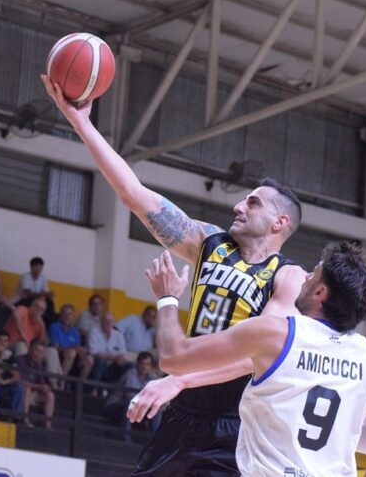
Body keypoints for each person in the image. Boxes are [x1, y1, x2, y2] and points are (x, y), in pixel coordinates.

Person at [43, 75, 306, 475]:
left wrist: (180, 379)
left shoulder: (289, 278)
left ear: (279, 222)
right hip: (182, 411)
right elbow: (133, 194)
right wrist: (80, 122)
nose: (238, 206)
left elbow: (256, 356)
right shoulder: (208, 243)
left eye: (252, 203)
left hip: (236, 419)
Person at [144, 245, 366, 476]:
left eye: (313, 274)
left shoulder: (275, 333)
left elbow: (172, 357)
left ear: (320, 292)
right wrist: (341, 431)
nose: (305, 277)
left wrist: (167, 298)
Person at [105, 351, 161, 441]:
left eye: (147, 364)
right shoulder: (130, 374)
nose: (144, 367)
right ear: (137, 364)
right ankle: (125, 437)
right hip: (115, 406)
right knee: (131, 403)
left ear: (150, 366)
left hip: (138, 409)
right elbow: (130, 396)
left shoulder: (152, 378)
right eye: (142, 364)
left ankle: (156, 440)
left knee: (155, 409)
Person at [48, 303, 94, 382]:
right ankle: (61, 381)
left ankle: (79, 385)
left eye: (70, 314)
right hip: (60, 357)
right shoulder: (54, 327)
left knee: (90, 359)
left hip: (75, 359)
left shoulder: (75, 331)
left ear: (73, 316)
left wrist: (82, 352)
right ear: (60, 315)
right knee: (71, 352)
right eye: (65, 313)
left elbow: (77, 347)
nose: (67, 316)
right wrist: (71, 348)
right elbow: (55, 348)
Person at [88, 311, 133, 389]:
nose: (108, 323)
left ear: (114, 323)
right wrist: (113, 357)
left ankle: (122, 391)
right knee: (100, 362)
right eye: (105, 320)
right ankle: (93, 390)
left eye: (110, 321)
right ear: (101, 321)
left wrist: (115, 358)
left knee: (129, 366)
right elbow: (94, 352)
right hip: (97, 364)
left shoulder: (118, 335)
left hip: (112, 365)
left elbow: (122, 353)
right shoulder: (94, 332)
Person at [19, 338, 56, 429]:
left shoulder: (39, 364)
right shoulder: (21, 360)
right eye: (36, 350)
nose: (38, 354)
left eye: (41, 352)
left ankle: (48, 425)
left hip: (33, 394)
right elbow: (21, 381)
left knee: (50, 395)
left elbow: (41, 382)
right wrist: (39, 386)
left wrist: (45, 388)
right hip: (21, 392)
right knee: (27, 390)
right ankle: (25, 419)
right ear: (30, 349)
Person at [16, 256, 56, 327]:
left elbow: (45, 292)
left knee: (50, 302)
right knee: (33, 300)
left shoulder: (43, 278)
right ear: (31, 267)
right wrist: (42, 294)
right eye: (36, 267)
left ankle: (50, 325)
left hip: (37, 301)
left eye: (40, 267)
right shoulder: (25, 276)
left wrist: (49, 295)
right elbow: (28, 293)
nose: (38, 269)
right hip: (24, 300)